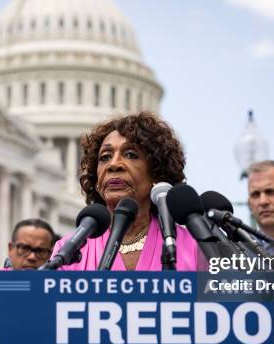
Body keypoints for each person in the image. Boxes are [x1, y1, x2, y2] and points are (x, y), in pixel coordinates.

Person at [52, 112, 199, 271]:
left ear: (157, 173)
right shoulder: (68, 252)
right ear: (97, 181)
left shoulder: (193, 247)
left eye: (130, 155)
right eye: (105, 157)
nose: (114, 164)